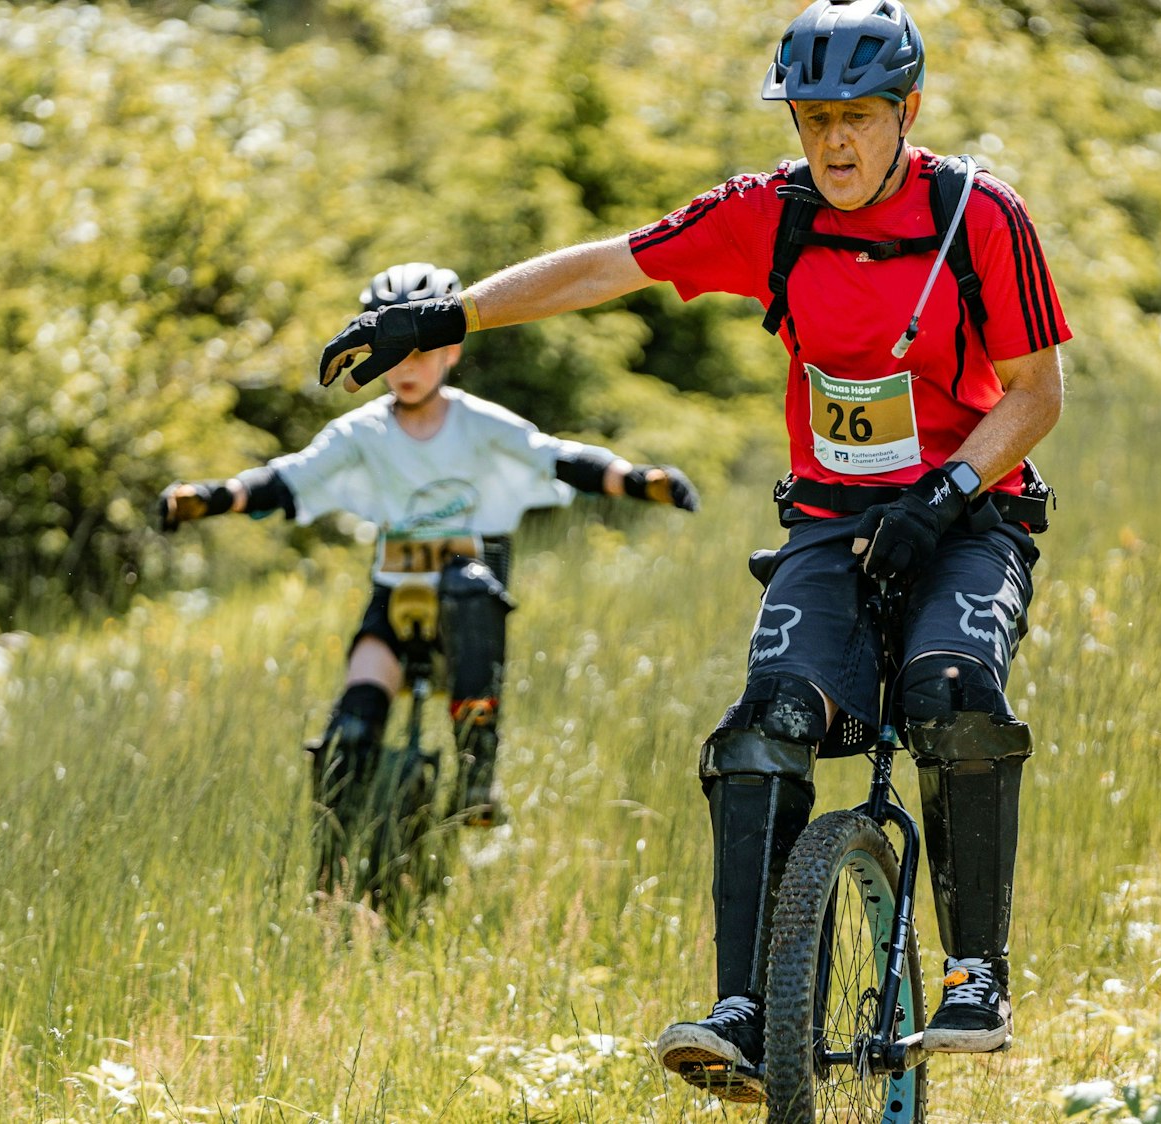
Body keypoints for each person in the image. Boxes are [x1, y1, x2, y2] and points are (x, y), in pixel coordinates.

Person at [315, 0, 1068, 1100]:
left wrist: (949, 487)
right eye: (813, 119)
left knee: (949, 687)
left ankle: (973, 969)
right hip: (829, 522)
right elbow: (609, 268)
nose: (834, 142)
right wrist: (448, 318)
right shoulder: (773, 212)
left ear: (908, 110)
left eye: (858, 116)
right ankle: (749, 1012)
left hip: (969, 515)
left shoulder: (978, 218)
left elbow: (1040, 394)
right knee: (762, 726)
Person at [163, 261, 700, 833]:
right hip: (395, 598)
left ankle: (476, 776)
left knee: (468, 591)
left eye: (422, 351)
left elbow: (557, 457)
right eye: (395, 353)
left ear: (452, 353)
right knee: (351, 728)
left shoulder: (477, 423)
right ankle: (339, 850)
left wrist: (638, 480)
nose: (406, 367)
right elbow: (290, 477)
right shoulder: (362, 432)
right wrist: (212, 497)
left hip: (468, 594)